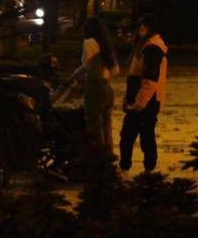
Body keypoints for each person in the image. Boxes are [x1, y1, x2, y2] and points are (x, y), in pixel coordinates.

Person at [119, 13, 168, 172]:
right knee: (133, 135)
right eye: (139, 25)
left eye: (144, 26)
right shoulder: (145, 47)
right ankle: (133, 166)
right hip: (139, 101)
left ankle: (146, 168)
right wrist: (128, 98)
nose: (141, 29)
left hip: (146, 102)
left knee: (141, 136)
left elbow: (150, 80)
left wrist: (139, 103)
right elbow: (134, 76)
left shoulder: (152, 49)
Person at [72, 17, 120, 154]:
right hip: (108, 88)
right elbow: (116, 70)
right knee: (106, 125)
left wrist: (75, 75)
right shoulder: (106, 45)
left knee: (94, 125)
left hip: (94, 87)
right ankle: (109, 156)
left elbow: (86, 65)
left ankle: (99, 159)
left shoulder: (89, 42)